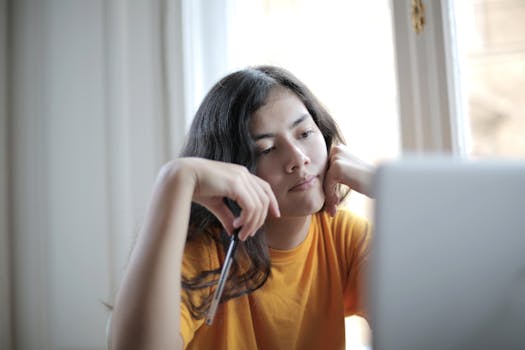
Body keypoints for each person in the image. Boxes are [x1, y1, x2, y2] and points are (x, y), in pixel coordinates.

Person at [109, 65, 374, 350]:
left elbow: (424, 322)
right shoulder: (205, 255)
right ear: (232, 167)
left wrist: (385, 187)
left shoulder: (343, 237)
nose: (298, 158)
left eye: (305, 133)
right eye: (267, 149)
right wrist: (174, 181)